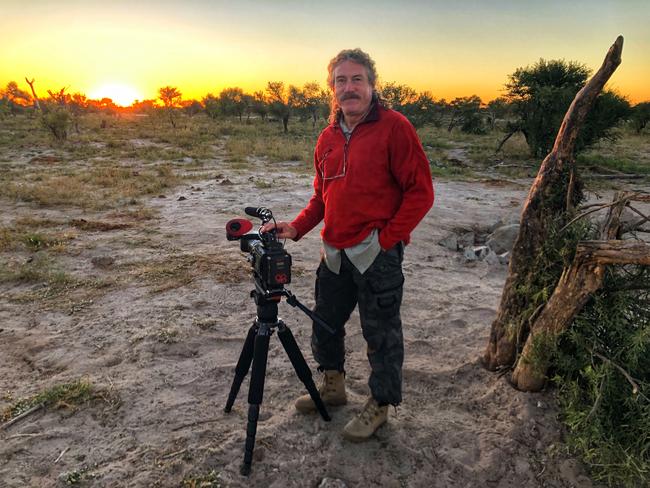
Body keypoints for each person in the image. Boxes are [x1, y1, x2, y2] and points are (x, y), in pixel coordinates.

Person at [262, 48, 434, 442]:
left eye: (357, 79)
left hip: (378, 256)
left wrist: (386, 240)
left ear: (372, 85)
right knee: (325, 324)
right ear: (332, 89)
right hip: (334, 253)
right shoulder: (327, 138)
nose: (349, 87)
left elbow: (420, 193)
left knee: (382, 334)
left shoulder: (395, 128)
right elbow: (322, 199)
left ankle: (380, 405)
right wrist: (297, 227)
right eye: (341, 80)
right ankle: (333, 387)